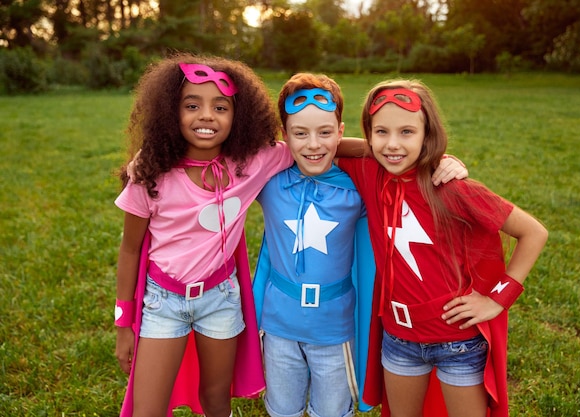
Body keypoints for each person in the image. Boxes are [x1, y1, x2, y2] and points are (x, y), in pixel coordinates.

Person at [252, 73, 469, 417]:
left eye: (325, 132)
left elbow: (403, 169)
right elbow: (213, 166)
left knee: (334, 410)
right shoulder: (268, 181)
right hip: (278, 325)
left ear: (340, 132)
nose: (313, 145)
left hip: (336, 329)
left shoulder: (358, 186)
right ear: (285, 136)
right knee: (282, 409)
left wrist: (440, 160)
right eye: (300, 134)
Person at [336, 80, 548, 417]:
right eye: (381, 132)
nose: (393, 144)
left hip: (458, 344)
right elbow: (327, 144)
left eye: (407, 132)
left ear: (427, 134)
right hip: (398, 339)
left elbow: (533, 232)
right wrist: (378, 147)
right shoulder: (369, 171)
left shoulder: (451, 187)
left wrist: (497, 299)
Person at [113, 52, 296, 417]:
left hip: (221, 299)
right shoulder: (151, 170)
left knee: (216, 400)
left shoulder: (253, 162)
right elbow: (130, 249)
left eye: (221, 107)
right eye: (192, 105)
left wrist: (398, 154)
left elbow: (315, 148)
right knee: (147, 409)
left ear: (238, 116)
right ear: (170, 112)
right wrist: (123, 323)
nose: (207, 116)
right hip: (163, 303)